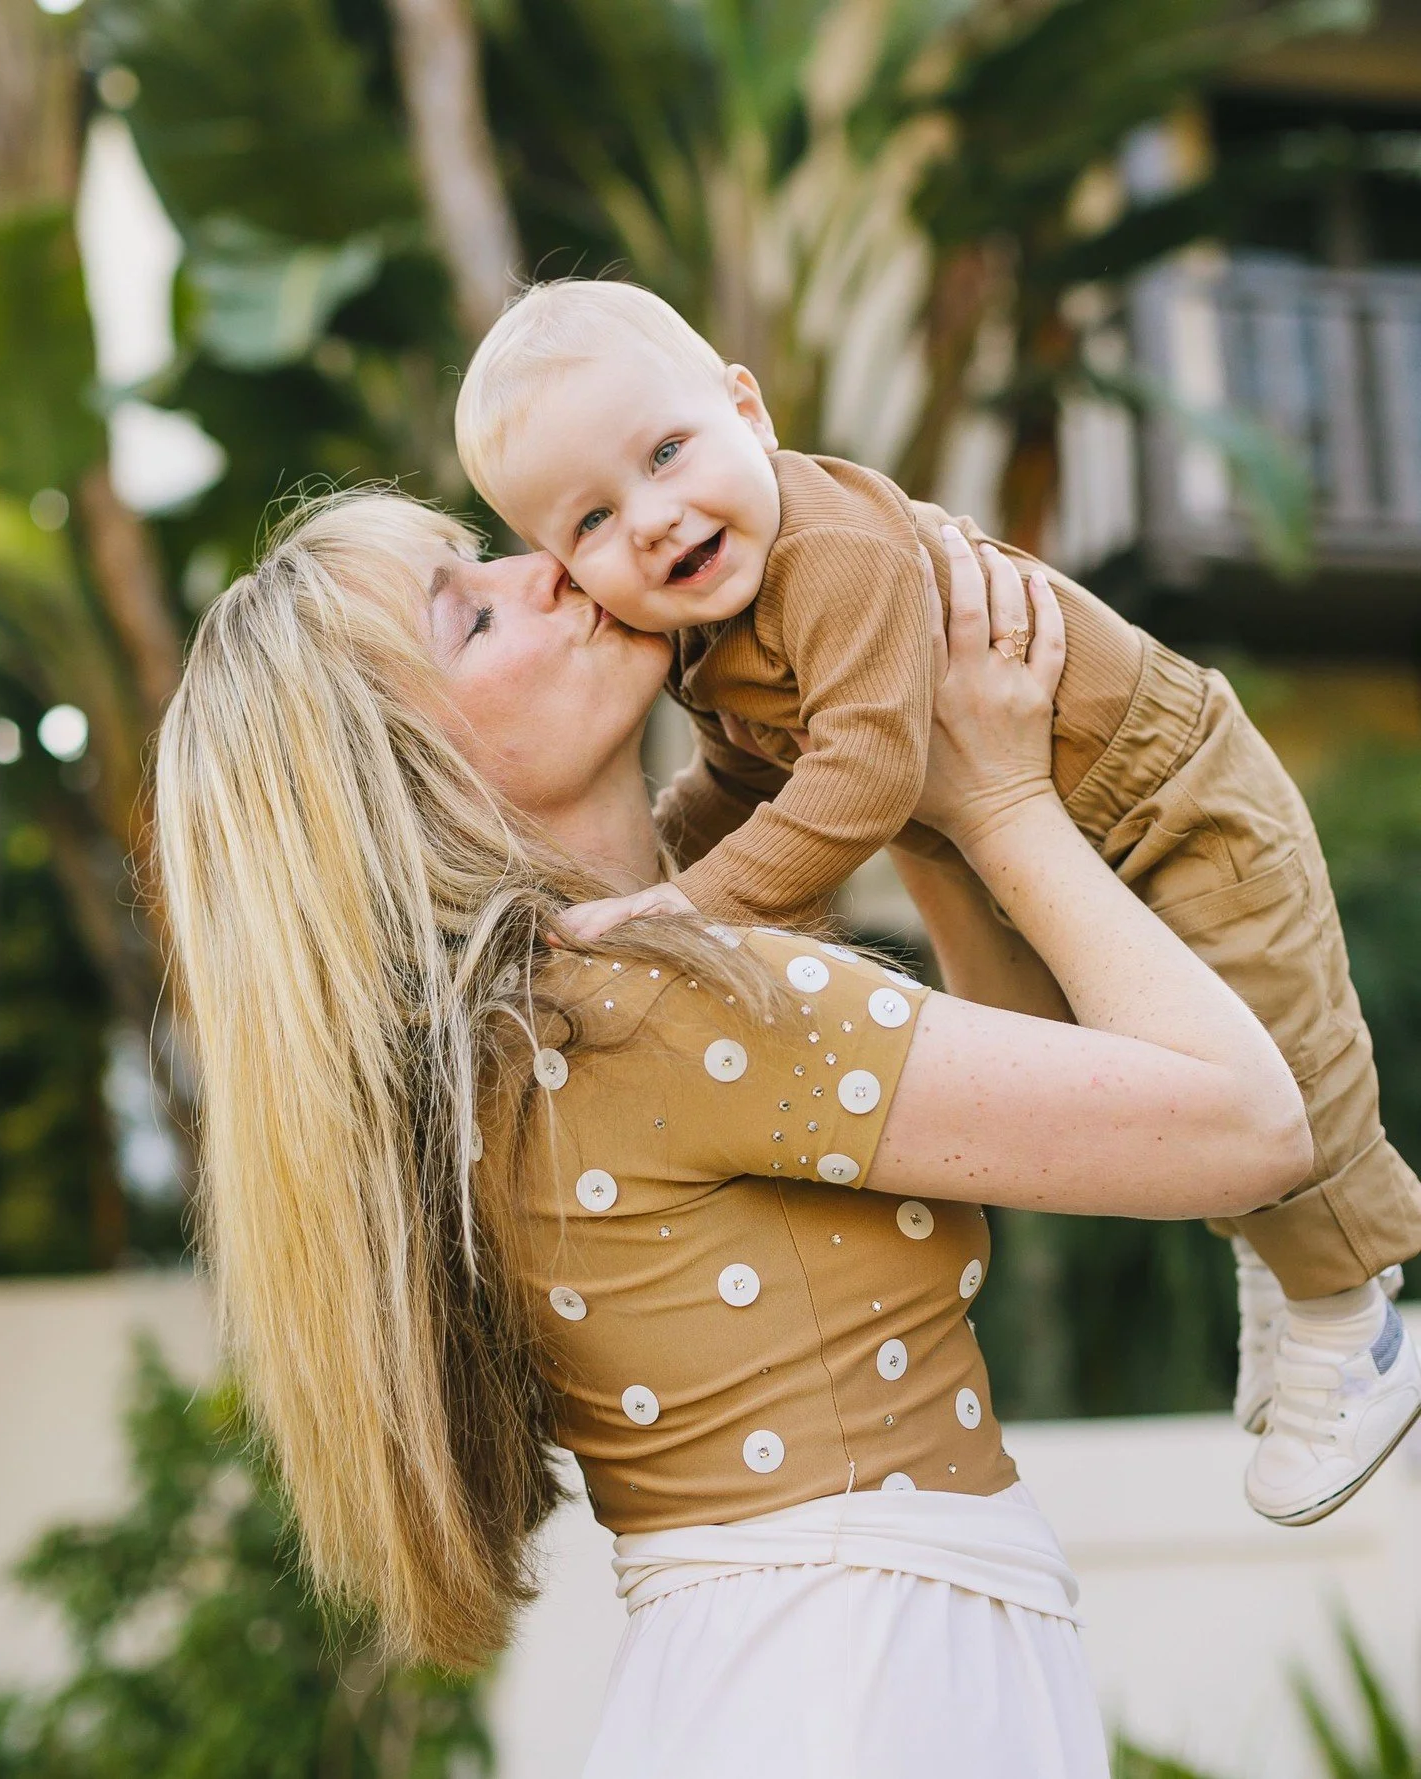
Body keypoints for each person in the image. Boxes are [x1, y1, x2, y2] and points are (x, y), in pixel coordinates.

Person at [156, 487, 1312, 1776]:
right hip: (864, 1682)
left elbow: (1050, 1113)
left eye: (486, 556)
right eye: (468, 618)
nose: (543, 571)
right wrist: (1000, 806)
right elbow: (1248, 1126)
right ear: (407, 782)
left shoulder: (528, 1045)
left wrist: (910, 789)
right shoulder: (657, 1006)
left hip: (764, 1676)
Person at [452, 277, 1421, 1527]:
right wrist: (653, 880)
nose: (651, 520)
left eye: (669, 451)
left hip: (1174, 794)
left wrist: (686, 910)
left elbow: (862, 776)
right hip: (1064, 821)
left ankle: (1353, 1322)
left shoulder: (832, 557)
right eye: (591, 520)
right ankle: (1281, 1262)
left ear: (747, 407)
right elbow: (744, 781)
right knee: (1165, 1058)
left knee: (1285, 1039)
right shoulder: (706, 623)